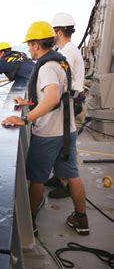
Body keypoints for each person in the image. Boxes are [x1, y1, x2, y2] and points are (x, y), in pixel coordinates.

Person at [1, 21, 89, 236]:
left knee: (37, 179)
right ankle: (81, 219)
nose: (29, 49)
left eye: (30, 44)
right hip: (67, 131)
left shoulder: (47, 67)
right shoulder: (61, 62)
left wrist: (26, 118)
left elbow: (50, 99)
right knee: (72, 175)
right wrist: (30, 103)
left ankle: (29, 222)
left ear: (37, 44)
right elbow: (58, 98)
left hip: (48, 134)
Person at [46, 12, 87, 198]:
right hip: (72, 101)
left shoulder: (67, 52)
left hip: (73, 103)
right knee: (64, 144)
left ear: (59, 32)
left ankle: (66, 185)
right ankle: (59, 176)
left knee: (67, 147)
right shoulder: (68, 49)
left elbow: (61, 78)